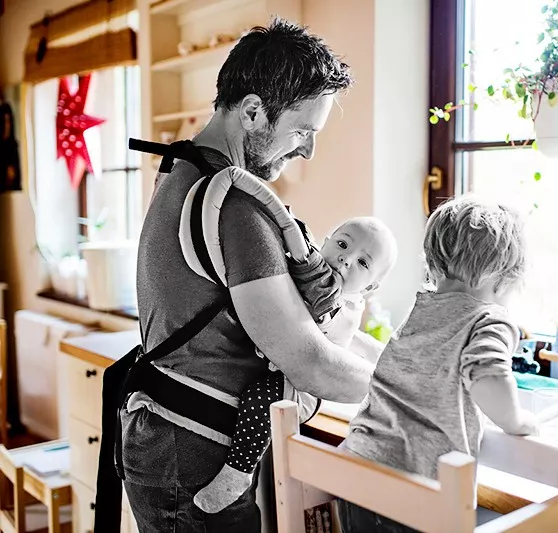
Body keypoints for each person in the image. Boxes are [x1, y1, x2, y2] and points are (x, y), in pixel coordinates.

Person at [123, 19, 378, 532]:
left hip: (166, 438)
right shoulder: (236, 207)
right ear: (254, 110)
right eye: (302, 130)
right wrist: (410, 389)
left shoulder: (183, 167)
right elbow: (309, 364)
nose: (307, 150)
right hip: (191, 454)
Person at [338, 195, 541, 533]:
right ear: (503, 276)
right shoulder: (492, 319)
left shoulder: (423, 309)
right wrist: (518, 420)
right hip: (416, 485)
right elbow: (487, 379)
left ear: (433, 262)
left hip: (358, 468)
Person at [189, 193, 398, 513]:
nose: (345, 260)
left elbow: (336, 333)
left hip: (303, 388)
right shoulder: (310, 274)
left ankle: (239, 471)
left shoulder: (343, 302)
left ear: (369, 288)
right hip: (272, 360)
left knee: (259, 398)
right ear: (326, 242)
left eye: (362, 263)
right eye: (343, 245)